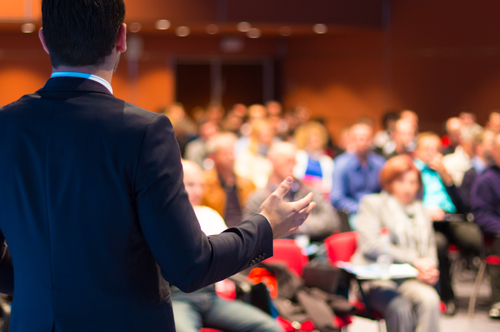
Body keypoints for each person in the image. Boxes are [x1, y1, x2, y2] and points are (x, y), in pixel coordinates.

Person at [0, 1, 316, 331]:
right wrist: (265, 225)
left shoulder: (5, 125)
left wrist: (41, 285)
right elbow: (190, 266)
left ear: (44, 40)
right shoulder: (142, 131)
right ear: (121, 38)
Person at [172, 160, 282, 332]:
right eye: (191, 184)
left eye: (201, 185)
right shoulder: (165, 221)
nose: (198, 191)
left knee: (269, 327)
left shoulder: (208, 214)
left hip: (211, 296)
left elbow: (231, 254)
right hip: (178, 298)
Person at [351, 155, 441, 332]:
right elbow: (371, 246)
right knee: (399, 307)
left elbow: (430, 246)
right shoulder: (373, 204)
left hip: (411, 278)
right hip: (378, 278)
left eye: (413, 182)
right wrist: (415, 260)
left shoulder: (421, 210)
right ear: (389, 182)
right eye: (401, 181)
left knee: (430, 299)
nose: (407, 188)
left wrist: (430, 269)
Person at [413, 132, 481, 315]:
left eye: (435, 150)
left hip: (451, 219)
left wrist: (447, 177)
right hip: (426, 223)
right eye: (426, 150)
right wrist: (425, 211)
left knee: (477, 239)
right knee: (439, 245)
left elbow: (463, 205)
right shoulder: (413, 171)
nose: (432, 154)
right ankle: (446, 297)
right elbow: (407, 202)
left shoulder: (443, 171)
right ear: (416, 152)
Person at [244, 142, 340, 242]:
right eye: (288, 161)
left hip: (313, 250)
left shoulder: (309, 191)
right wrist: (294, 222)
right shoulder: (258, 198)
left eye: (295, 161)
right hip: (276, 253)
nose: (293, 165)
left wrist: (298, 224)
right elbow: (251, 233)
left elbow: (332, 221)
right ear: (273, 161)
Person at [330, 122, 386, 228]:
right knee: (367, 226)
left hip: (378, 210)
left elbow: (386, 191)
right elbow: (337, 198)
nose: (362, 142)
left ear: (372, 140)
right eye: (358, 138)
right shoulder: (341, 164)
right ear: (351, 140)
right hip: (354, 212)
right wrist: (361, 209)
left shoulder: (380, 163)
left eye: (366, 138)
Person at [471, 131, 500, 319]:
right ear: (495, 152)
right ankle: (498, 301)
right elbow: (482, 215)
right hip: (496, 237)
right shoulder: (486, 179)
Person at [202, 133, 256, 227]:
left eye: (233, 152)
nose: (232, 157)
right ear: (214, 157)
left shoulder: (248, 183)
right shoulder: (204, 183)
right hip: (218, 233)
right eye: (226, 153)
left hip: (245, 231)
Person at [293, 121, 335, 194]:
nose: (315, 139)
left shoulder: (327, 160)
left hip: (320, 195)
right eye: (312, 136)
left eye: (318, 136)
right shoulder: (298, 156)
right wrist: (312, 183)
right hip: (300, 193)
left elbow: (329, 185)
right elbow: (296, 177)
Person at [460, 130, 496, 211]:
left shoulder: (496, 172)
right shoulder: (470, 174)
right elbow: (467, 204)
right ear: (479, 147)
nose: (495, 146)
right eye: (491, 143)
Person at [235, 119, 276, 189]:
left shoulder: (276, 151)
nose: (267, 138)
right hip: (254, 191)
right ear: (255, 136)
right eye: (264, 135)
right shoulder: (247, 154)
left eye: (269, 134)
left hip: (273, 189)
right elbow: (242, 176)